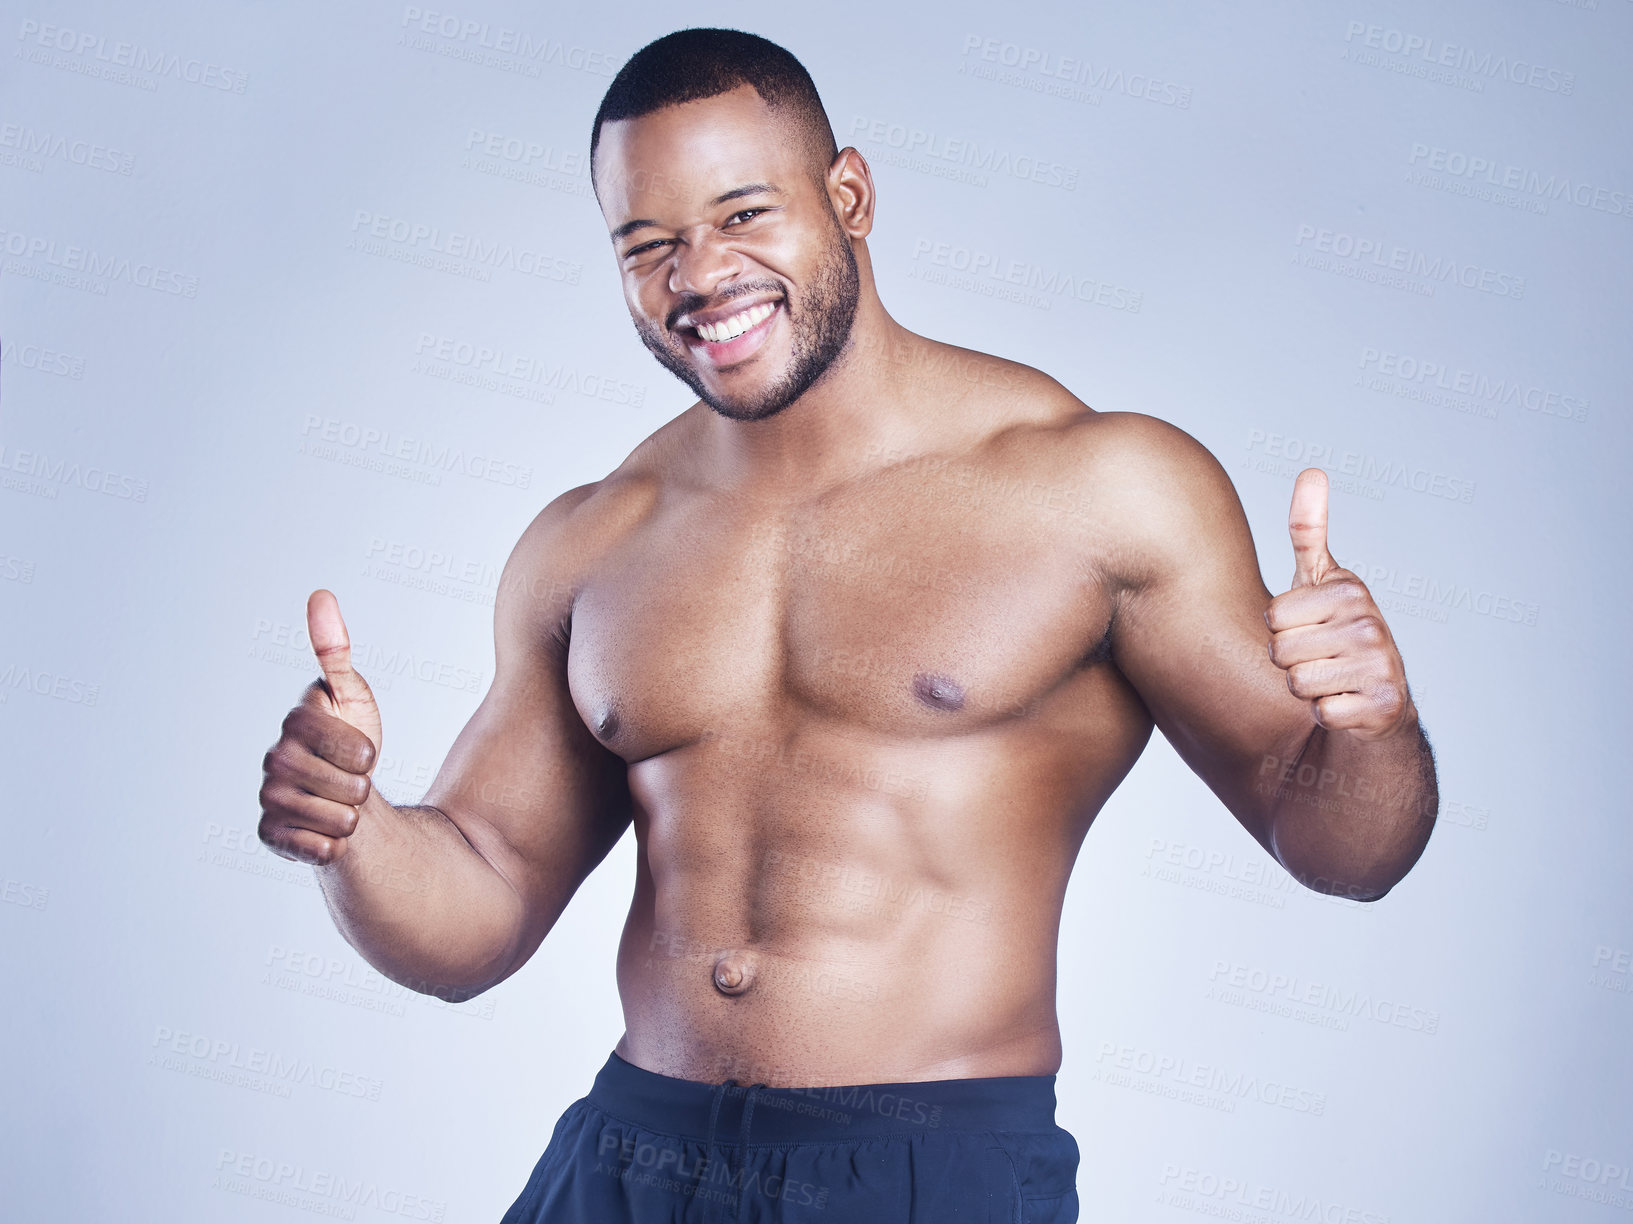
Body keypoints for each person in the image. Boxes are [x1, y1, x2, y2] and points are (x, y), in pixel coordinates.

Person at [258, 27, 1439, 1224]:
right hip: (628, 1159)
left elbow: (1344, 850)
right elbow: (478, 907)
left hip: (922, 1172)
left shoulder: (1097, 488)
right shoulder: (591, 542)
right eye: (648, 243)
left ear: (851, 195)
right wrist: (353, 836)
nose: (699, 274)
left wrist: (1371, 725)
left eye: (742, 215)